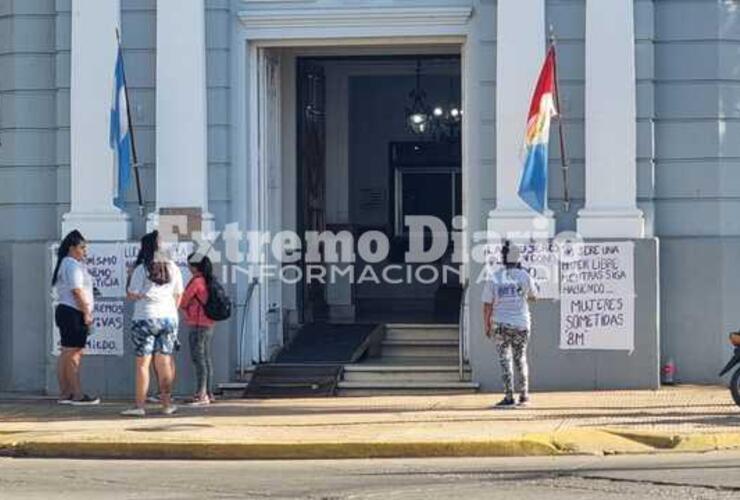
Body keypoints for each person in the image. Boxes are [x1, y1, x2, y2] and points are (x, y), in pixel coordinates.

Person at [122, 231, 183, 417]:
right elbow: (179, 294)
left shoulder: (141, 269)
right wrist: (172, 312)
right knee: (164, 362)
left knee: (143, 364)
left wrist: (130, 277)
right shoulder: (173, 267)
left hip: (144, 318)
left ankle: (140, 406)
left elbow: (131, 294)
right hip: (169, 318)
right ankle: (166, 404)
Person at [482, 241, 538, 409]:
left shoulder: (495, 277)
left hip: (500, 324)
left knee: (505, 360)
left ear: (503, 258)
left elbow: (487, 305)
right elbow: (534, 297)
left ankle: (508, 396)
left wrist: (486, 325)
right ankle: (524, 395)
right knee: (520, 358)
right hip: (521, 324)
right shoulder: (525, 276)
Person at [51, 230, 100, 405]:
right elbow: (77, 290)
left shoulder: (68, 263)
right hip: (73, 312)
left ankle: (66, 392)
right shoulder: (71, 264)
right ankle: (77, 394)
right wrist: (86, 311)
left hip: (68, 310)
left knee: (67, 352)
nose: (85, 251)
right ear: (72, 248)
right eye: (82, 247)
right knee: (73, 353)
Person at [180, 253, 216, 405]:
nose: (188, 268)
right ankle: (208, 392)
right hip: (208, 323)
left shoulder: (196, 282)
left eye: (189, 265)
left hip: (197, 323)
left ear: (195, 266)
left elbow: (183, 301)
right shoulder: (209, 280)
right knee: (206, 358)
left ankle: (201, 394)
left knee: (198, 358)